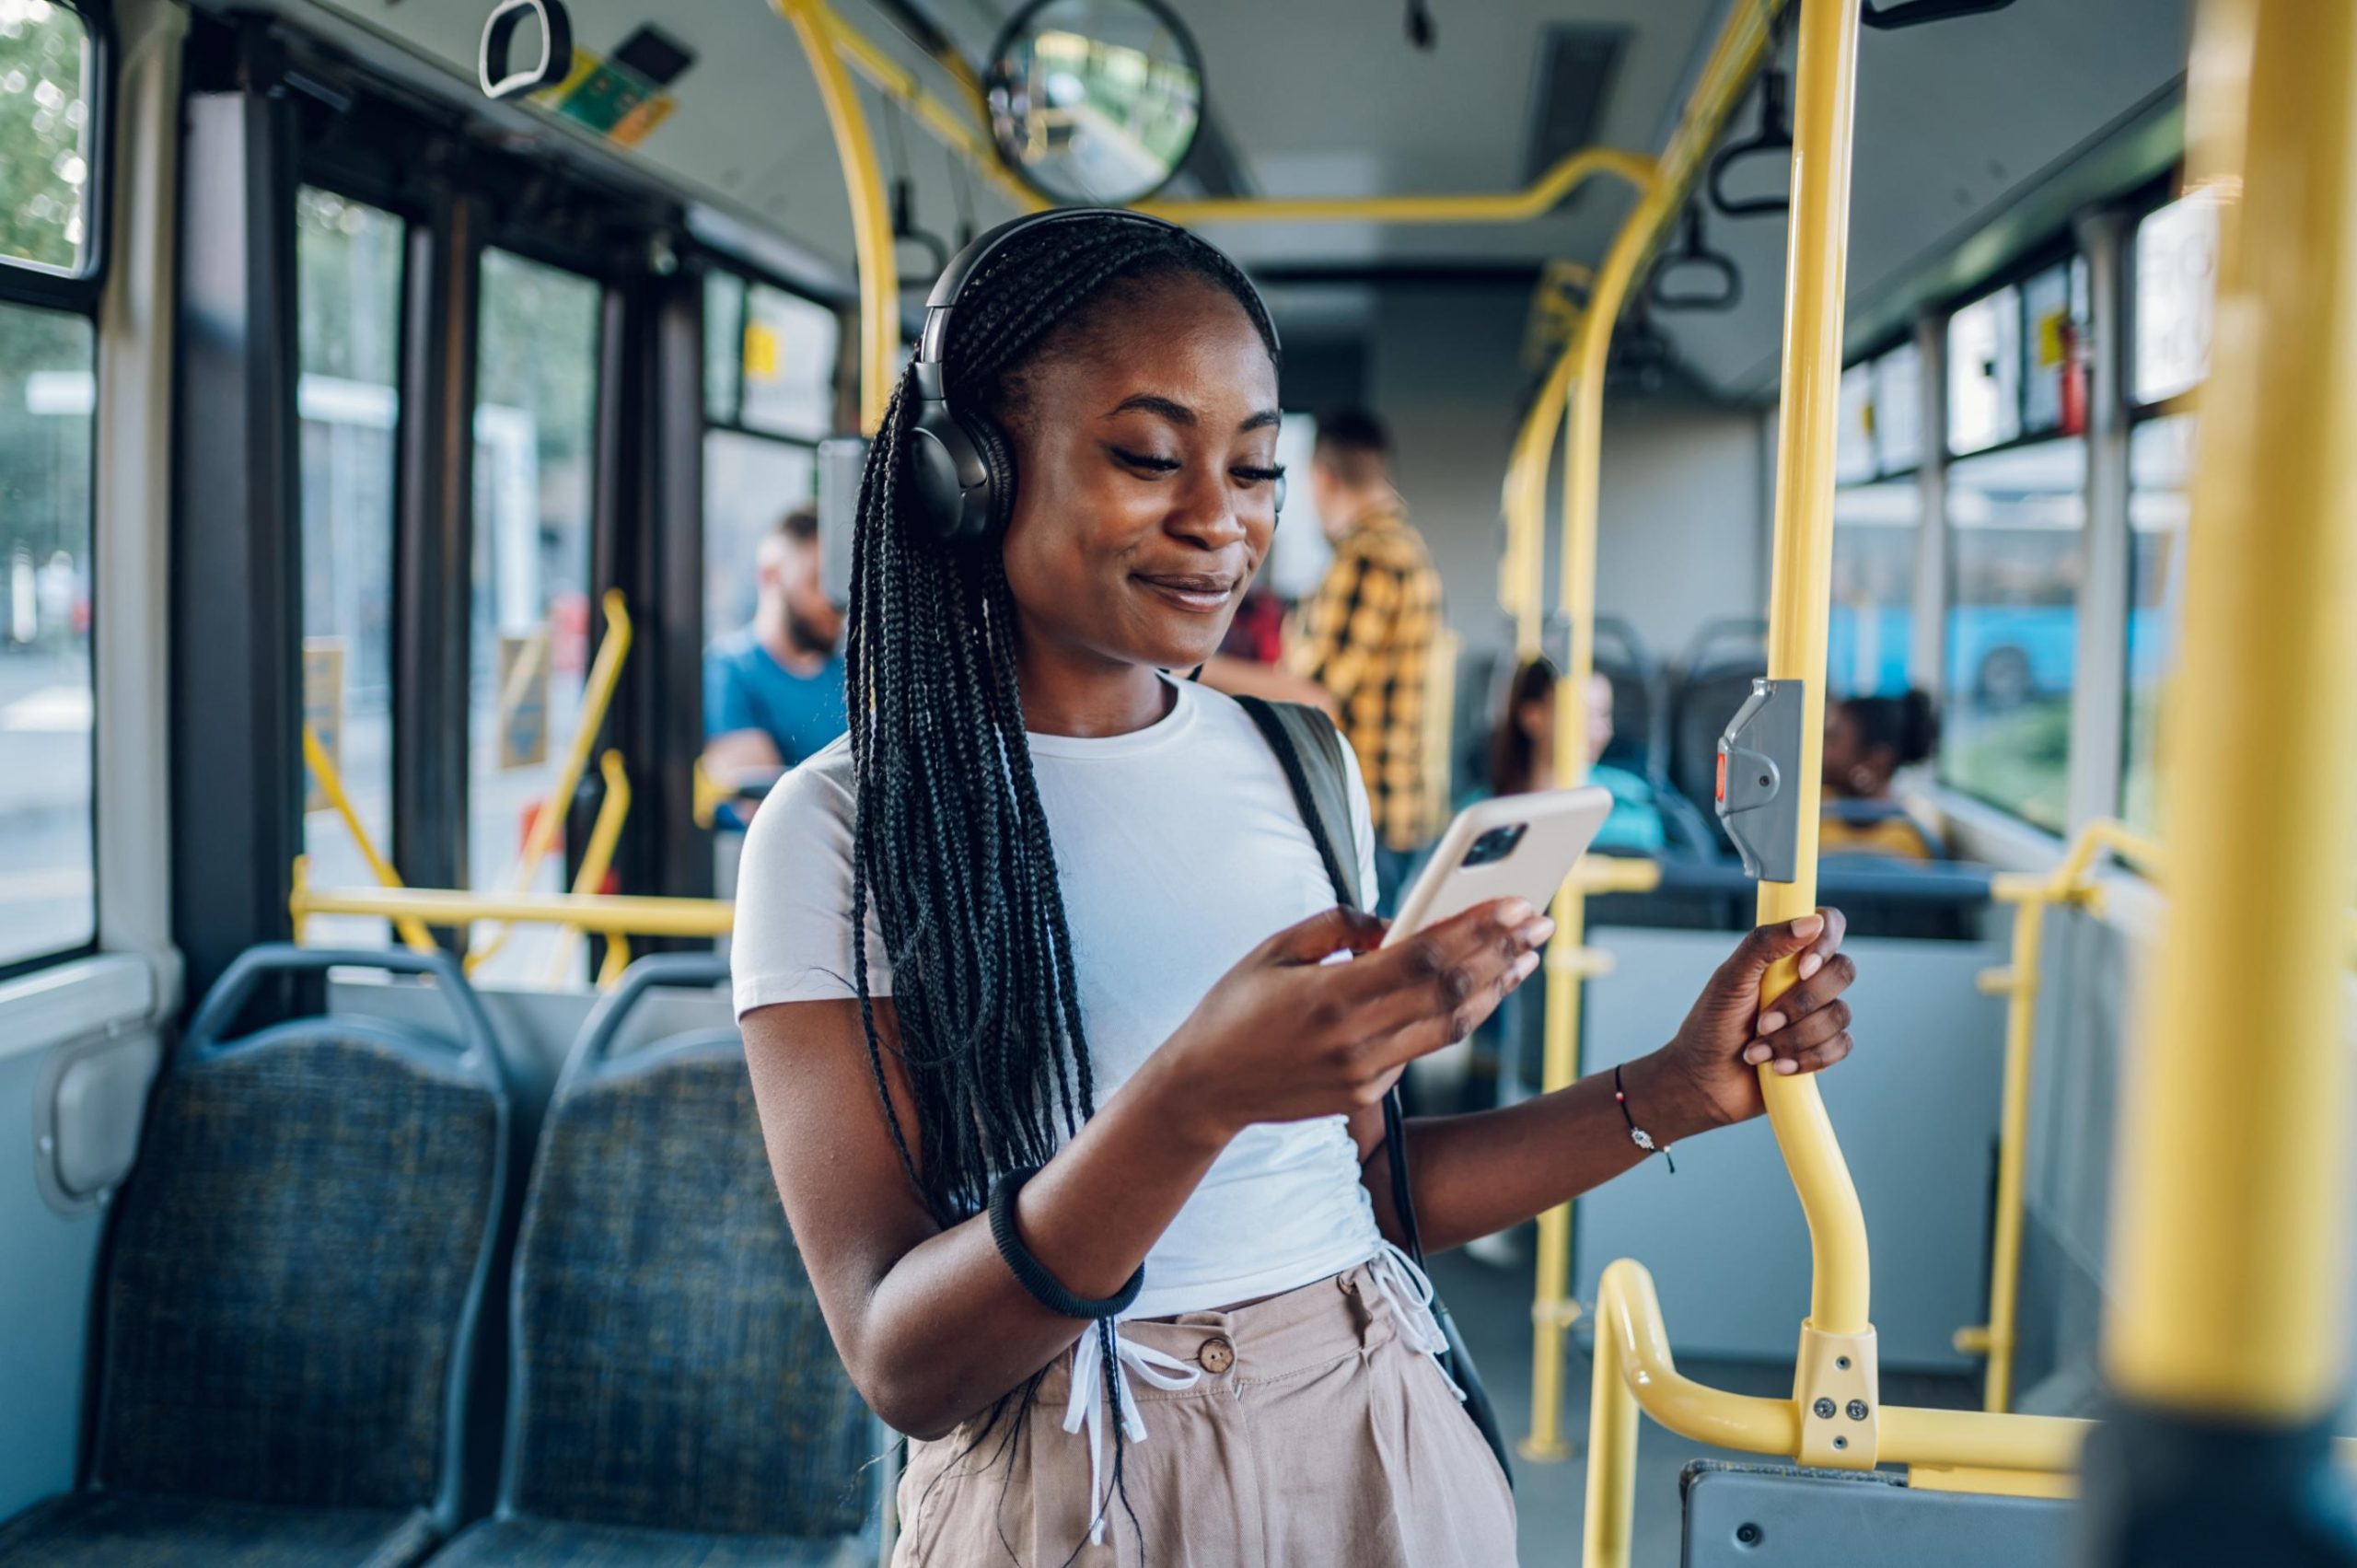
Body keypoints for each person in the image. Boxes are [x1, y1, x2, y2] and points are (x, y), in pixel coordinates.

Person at [730, 208, 1863, 1568]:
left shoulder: (1297, 758)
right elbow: (902, 1360)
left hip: (1375, 1421)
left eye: (1260, 468)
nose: (1221, 520)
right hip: (1079, 1466)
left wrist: (1672, 1087)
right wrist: (1191, 1098)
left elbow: (1367, 1197)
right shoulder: (840, 828)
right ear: (968, 472)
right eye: (1150, 456)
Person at [1284, 409, 1443, 900]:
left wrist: (1201, 671)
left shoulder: (1368, 558)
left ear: (1322, 478)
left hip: (1365, 811)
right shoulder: (1408, 549)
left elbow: (1316, 693)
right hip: (1398, 811)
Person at [701, 507, 848, 800]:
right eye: (817, 582)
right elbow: (764, 805)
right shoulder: (728, 671)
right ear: (770, 575)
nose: (835, 602)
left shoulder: (847, 676)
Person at [1487, 658, 1666, 855]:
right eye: (1582, 715)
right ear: (1532, 717)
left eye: (1604, 715)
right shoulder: (1485, 816)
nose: (1598, 731)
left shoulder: (1636, 803)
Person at [1820, 690, 1944, 861]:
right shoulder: (1812, 808)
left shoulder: (1912, 837)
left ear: (1875, 761)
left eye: (1832, 740)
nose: (1820, 750)